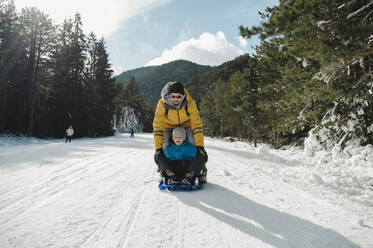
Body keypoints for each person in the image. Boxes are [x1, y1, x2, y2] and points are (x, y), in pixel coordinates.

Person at [153, 81, 208, 184]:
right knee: (165, 145)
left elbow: (196, 124)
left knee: (193, 143)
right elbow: (158, 126)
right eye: (173, 96)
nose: (176, 99)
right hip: (168, 126)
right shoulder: (162, 104)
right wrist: (158, 149)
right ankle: (164, 170)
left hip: (186, 124)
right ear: (169, 95)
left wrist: (201, 147)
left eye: (179, 97)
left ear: (183, 96)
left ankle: (200, 170)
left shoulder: (189, 102)